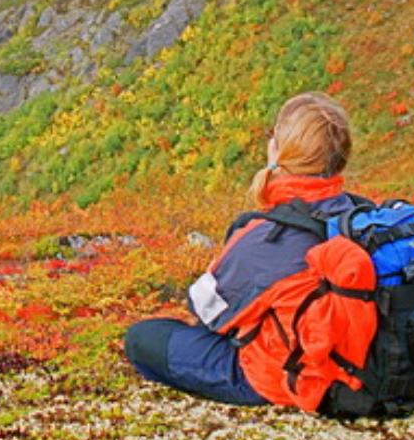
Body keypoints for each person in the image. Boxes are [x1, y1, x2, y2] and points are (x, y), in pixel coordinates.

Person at [123, 91, 360, 406]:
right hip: (360, 365)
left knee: (142, 339)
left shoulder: (267, 237)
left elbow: (206, 309)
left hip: (282, 377)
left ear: (279, 151)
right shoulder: (362, 215)